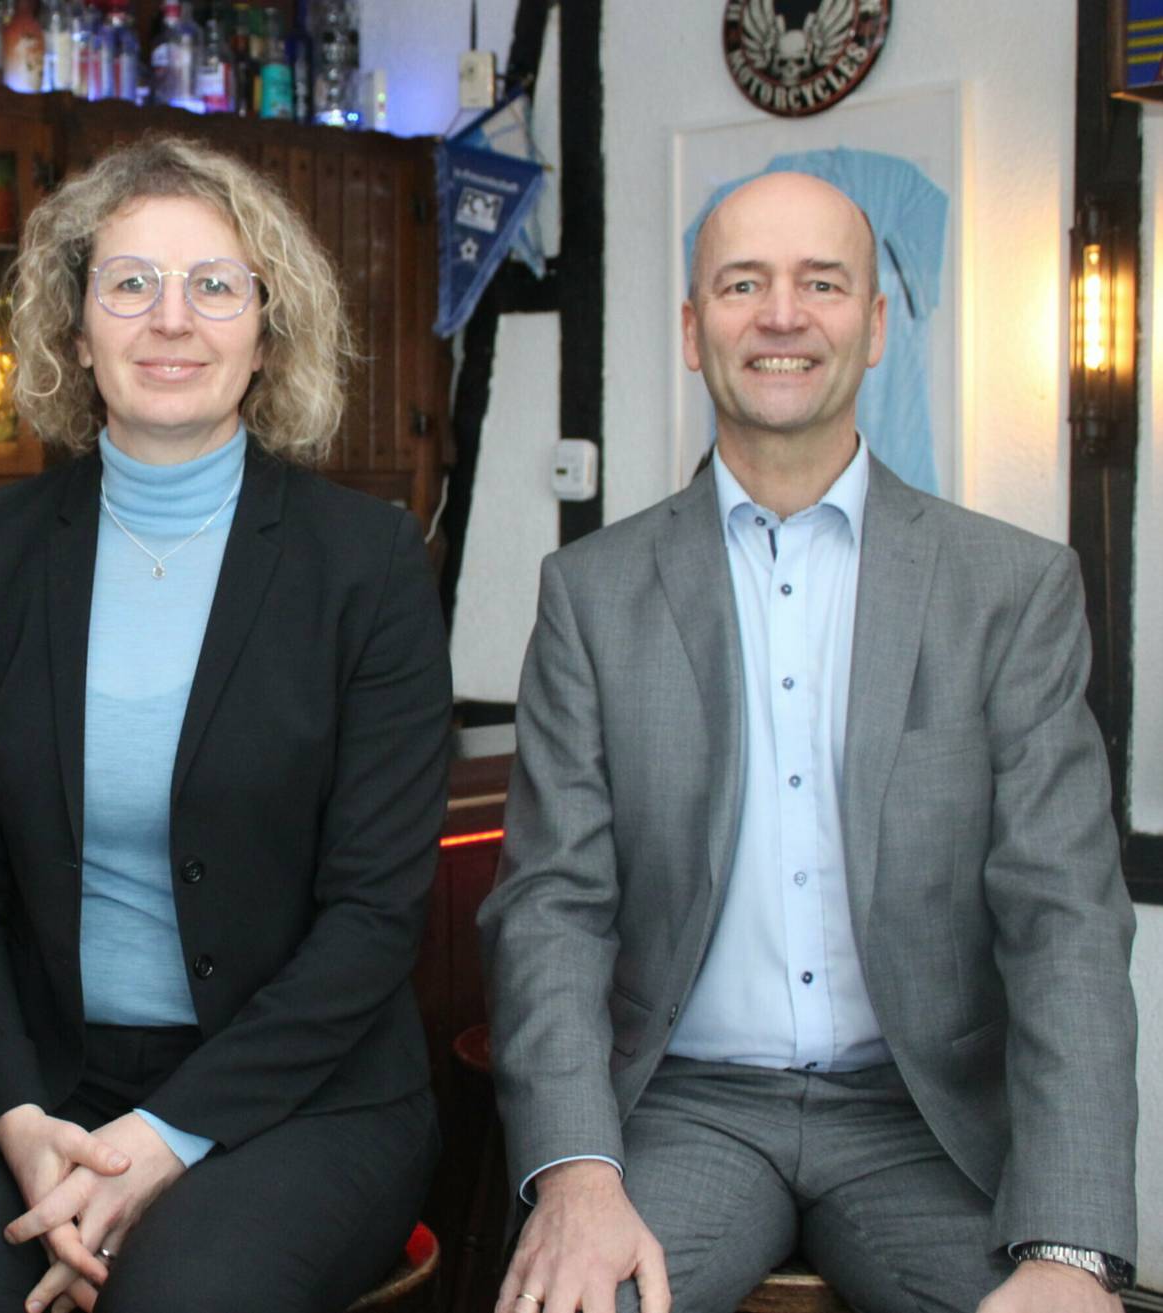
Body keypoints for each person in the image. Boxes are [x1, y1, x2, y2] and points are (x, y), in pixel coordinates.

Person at [479, 170, 1137, 1313]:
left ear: (874, 324)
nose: (782, 316)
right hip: (681, 1110)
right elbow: (551, 908)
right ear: (694, 331)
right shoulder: (590, 593)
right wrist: (578, 1172)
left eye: (821, 282)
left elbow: (1066, 922)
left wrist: (1071, 1248)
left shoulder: (1011, 589)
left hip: (924, 1119)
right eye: (743, 284)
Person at [0, 135, 454, 1313]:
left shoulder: (365, 562)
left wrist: (163, 1136)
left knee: (174, 1298)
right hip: (40, 1087)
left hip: (301, 1096)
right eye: (131, 283)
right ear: (75, 323)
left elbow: (375, 914)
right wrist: (22, 1122)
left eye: (215, 284)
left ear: (267, 324)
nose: (172, 319)